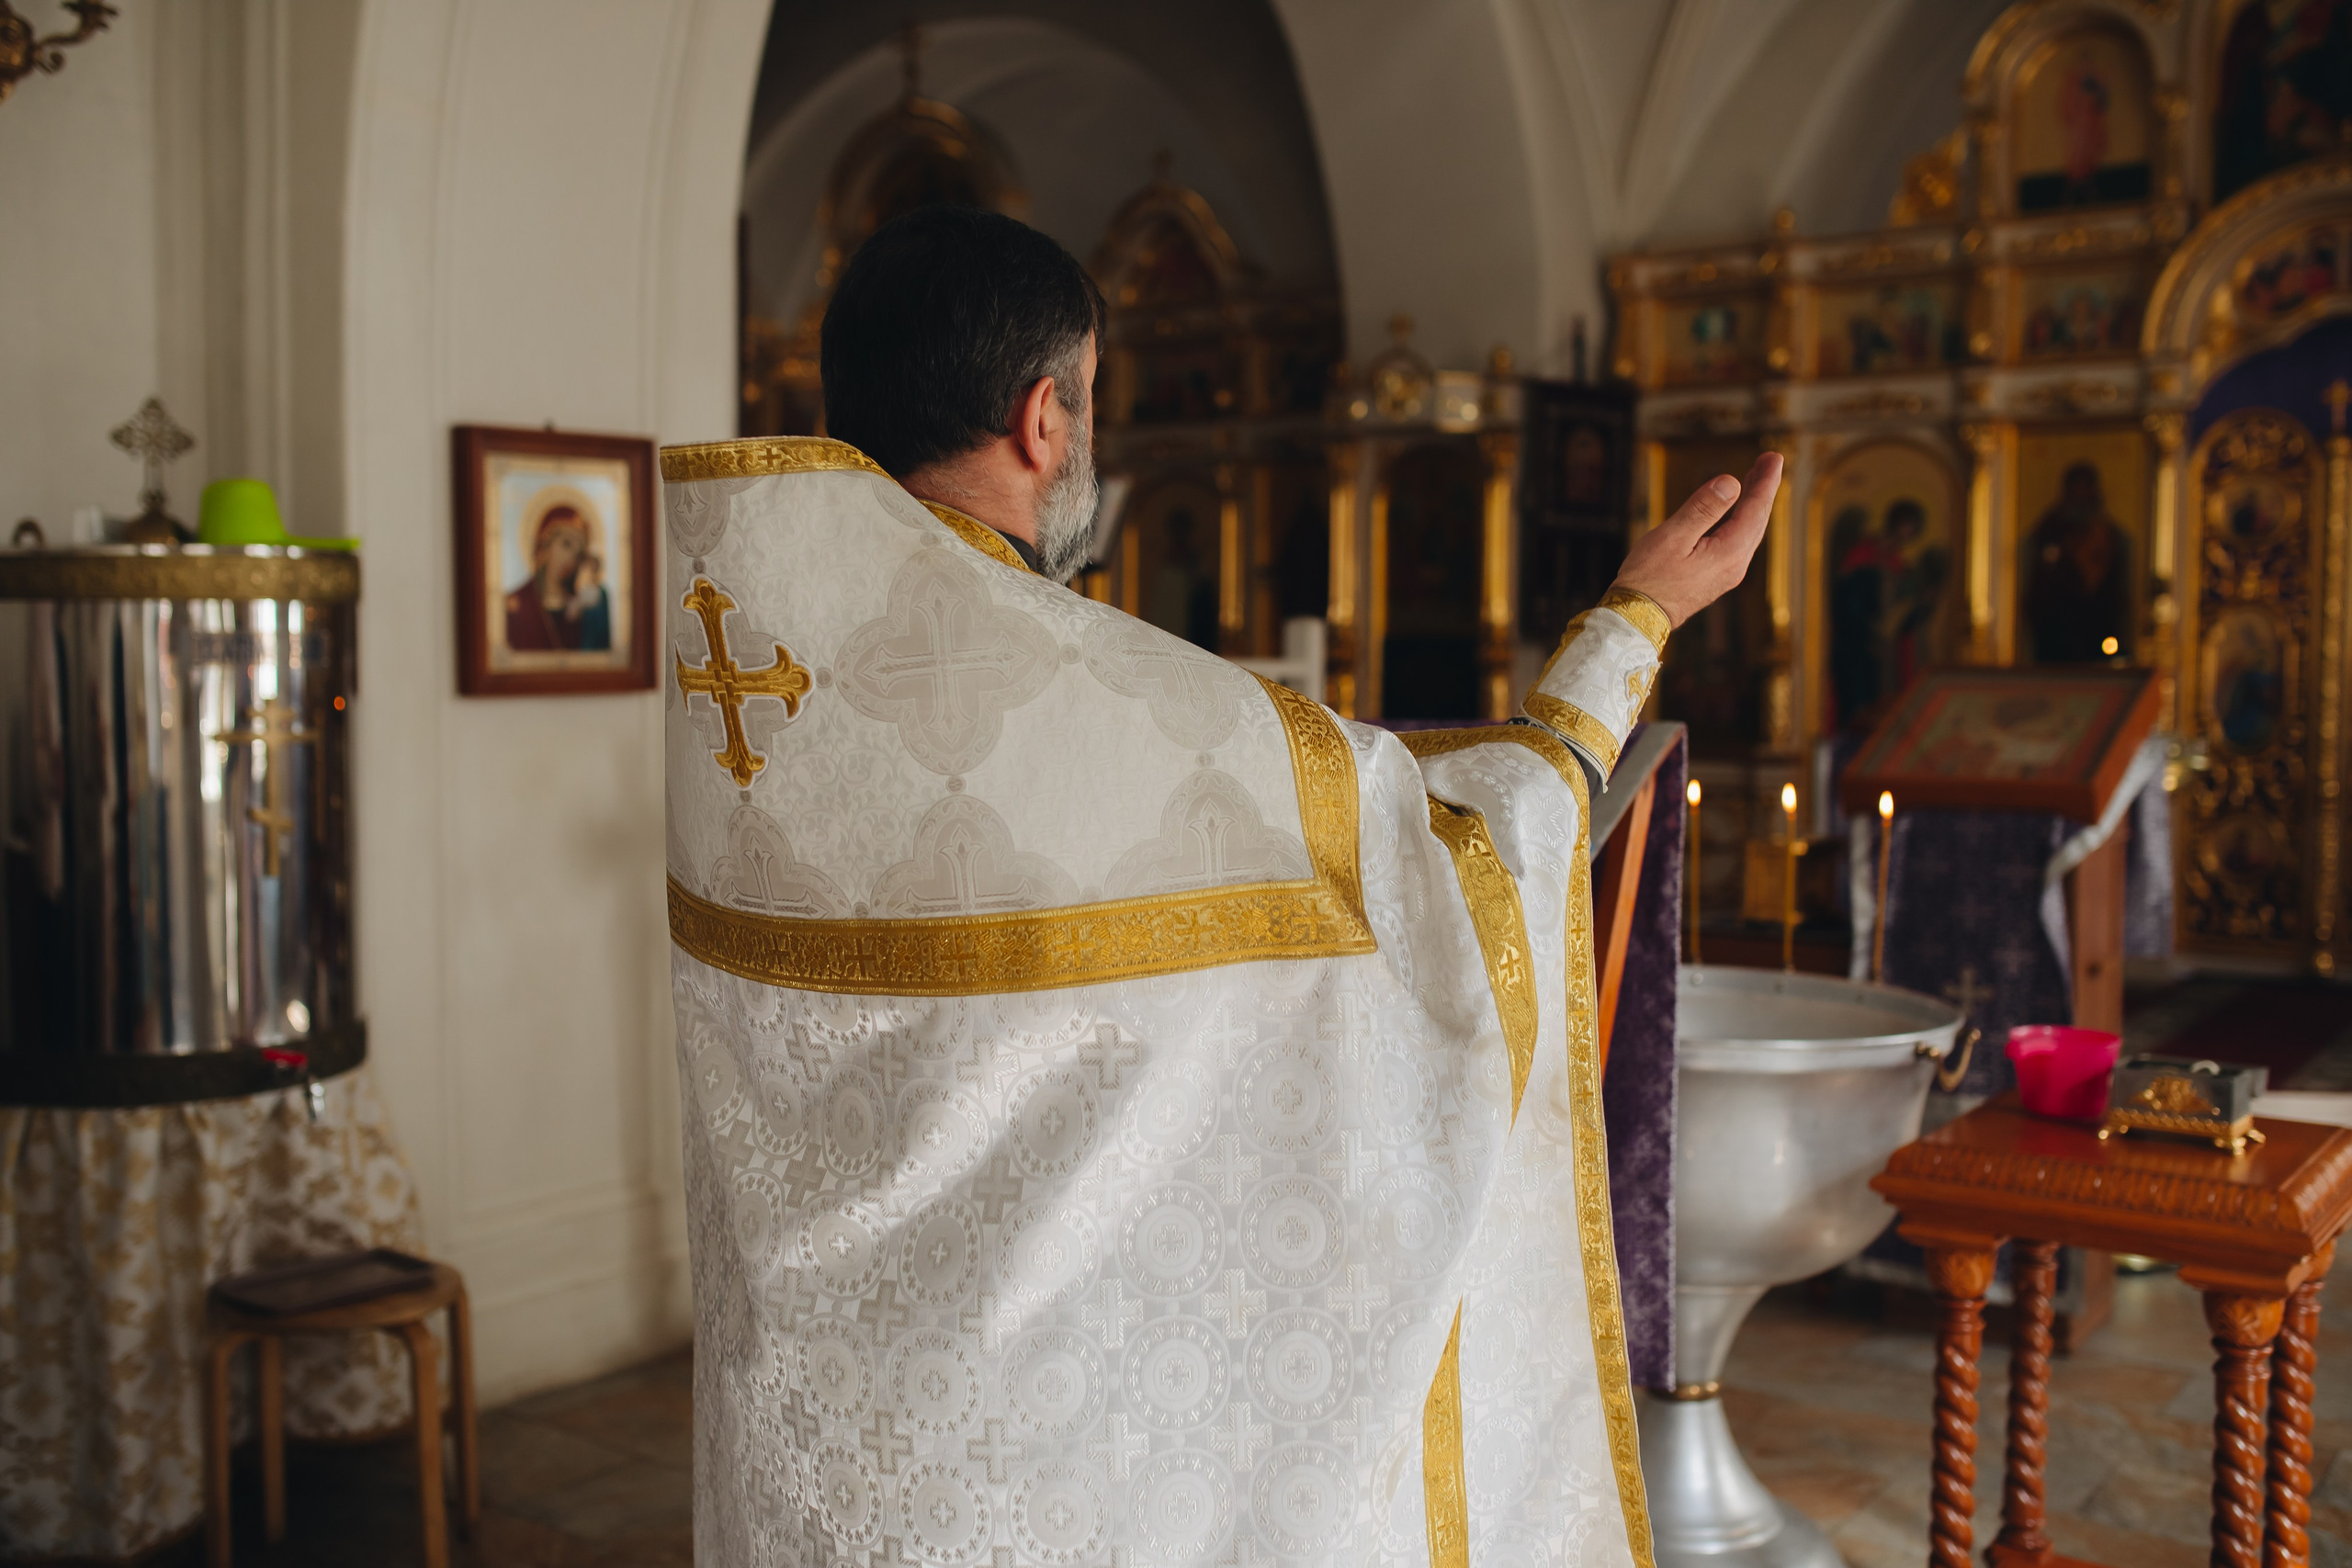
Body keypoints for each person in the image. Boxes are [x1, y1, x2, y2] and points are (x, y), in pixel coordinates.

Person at [660, 205, 1777, 1568]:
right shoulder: (1134, 722)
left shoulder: (743, 705)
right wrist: (1633, 621)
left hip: (809, 1470)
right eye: (1094, 402)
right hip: (1021, 1491)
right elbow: (1456, 870)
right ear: (1041, 419)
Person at [2024, 461, 2131, 663]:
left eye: (2085, 487)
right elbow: (2040, 581)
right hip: (2056, 627)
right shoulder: (2050, 527)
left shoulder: (2107, 533)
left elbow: (2114, 583)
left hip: (2098, 622)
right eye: (2076, 487)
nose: (2080, 493)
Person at [504, 502, 610, 652]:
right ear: (545, 546)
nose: (572, 557)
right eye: (566, 544)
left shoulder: (585, 607)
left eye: (579, 553)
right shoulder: (515, 605)